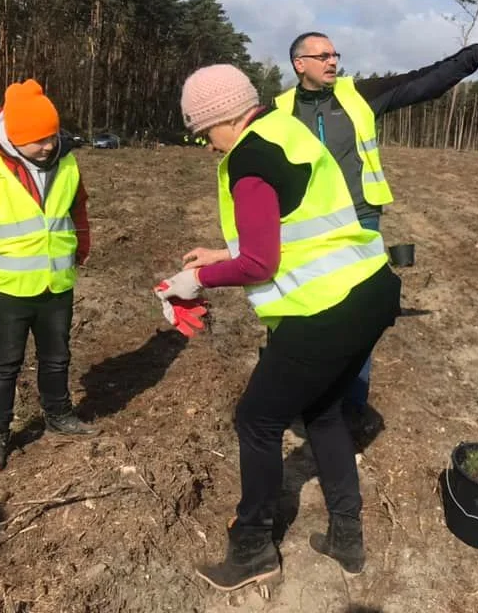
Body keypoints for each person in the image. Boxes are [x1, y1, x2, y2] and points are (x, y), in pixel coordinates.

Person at [156, 64, 402, 591]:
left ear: (223, 118)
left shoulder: (249, 159)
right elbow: (295, 225)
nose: (206, 146)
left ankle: (251, 550)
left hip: (327, 311)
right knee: (324, 412)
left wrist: (198, 278)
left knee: (257, 421)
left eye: (203, 133)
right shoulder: (286, 128)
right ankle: (346, 538)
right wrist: (225, 250)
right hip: (372, 290)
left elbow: (260, 265)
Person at [274, 30, 478, 415]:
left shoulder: (359, 95)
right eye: (322, 56)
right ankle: (304, 395)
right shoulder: (279, 111)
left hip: (360, 222)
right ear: (299, 64)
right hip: (306, 230)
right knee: (302, 311)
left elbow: (424, 81)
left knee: (357, 316)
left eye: (335, 54)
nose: (333, 61)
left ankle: (351, 405)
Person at [0, 79, 95, 473]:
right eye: (38, 139)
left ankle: (59, 414)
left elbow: (78, 209)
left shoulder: (68, 161)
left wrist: (82, 246)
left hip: (56, 283)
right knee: (4, 364)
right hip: (6, 287)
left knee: (57, 357)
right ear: (16, 137)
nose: (48, 145)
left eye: (52, 136)